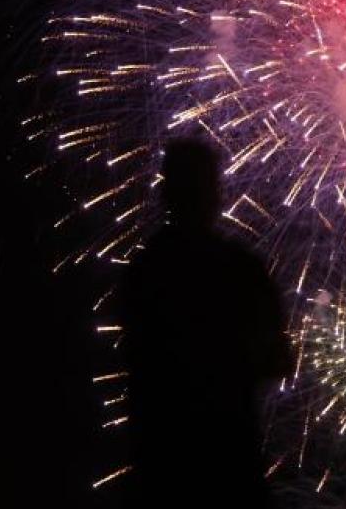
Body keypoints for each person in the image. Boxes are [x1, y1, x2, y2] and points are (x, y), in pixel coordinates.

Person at [119, 138, 293, 507]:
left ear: (165, 193)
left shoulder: (145, 271)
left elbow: (133, 364)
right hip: (230, 469)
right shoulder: (242, 269)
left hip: (162, 470)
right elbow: (280, 361)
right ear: (216, 193)